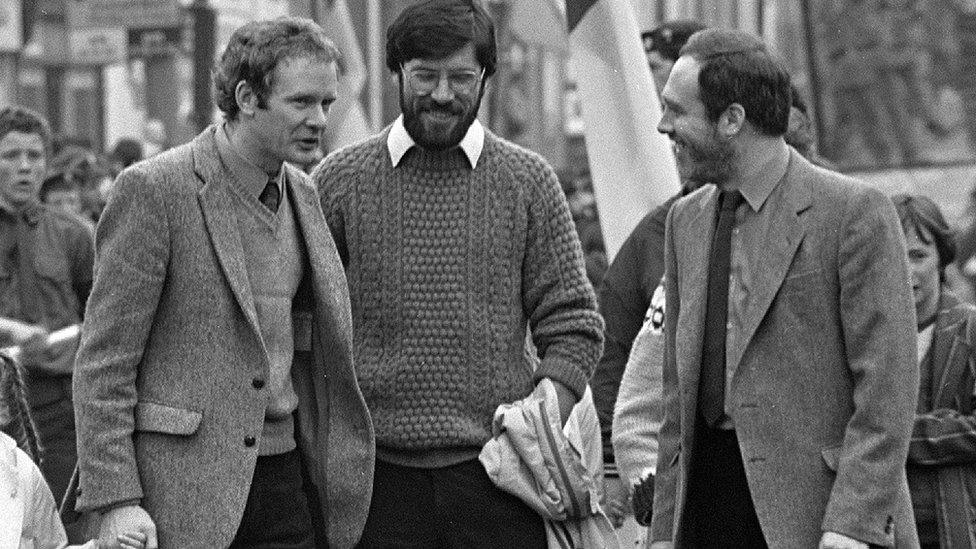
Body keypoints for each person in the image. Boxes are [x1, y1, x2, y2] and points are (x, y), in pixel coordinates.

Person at [68, 16, 374, 548]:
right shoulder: (154, 190)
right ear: (246, 97)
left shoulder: (305, 193)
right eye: (302, 102)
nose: (320, 119)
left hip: (285, 481)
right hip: (183, 491)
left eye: (326, 103)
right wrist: (116, 499)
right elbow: (104, 361)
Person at [313, 1, 604, 546]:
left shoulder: (528, 181)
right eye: (425, 76)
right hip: (373, 487)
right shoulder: (339, 181)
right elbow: (304, 324)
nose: (442, 94)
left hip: (498, 482)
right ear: (396, 72)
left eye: (461, 77)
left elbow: (575, 324)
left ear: (487, 78)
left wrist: (539, 420)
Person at [650, 28, 919, 548]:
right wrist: (665, 530)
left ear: (732, 119)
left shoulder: (855, 213)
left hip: (818, 521)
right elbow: (675, 400)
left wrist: (850, 526)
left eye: (677, 111)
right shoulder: (684, 222)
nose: (663, 127)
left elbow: (888, 389)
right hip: (706, 514)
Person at [589, 19, 706, 526]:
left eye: (676, 108)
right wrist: (624, 473)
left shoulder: (825, 220)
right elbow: (614, 353)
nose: (663, 127)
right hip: (677, 493)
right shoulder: (663, 230)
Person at [0, 106, 93, 505]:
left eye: (34, 156)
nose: (24, 167)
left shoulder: (74, 234)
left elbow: (98, 317)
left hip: (58, 406)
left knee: (57, 520)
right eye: (10, 155)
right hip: (1, 398)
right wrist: (12, 331)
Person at [891, 194, 976, 549]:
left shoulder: (970, 329)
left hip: (958, 524)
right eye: (894, 254)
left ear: (941, 258)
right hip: (887, 528)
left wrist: (899, 436)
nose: (906, 270)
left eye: (918, 255)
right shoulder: (863, 337)